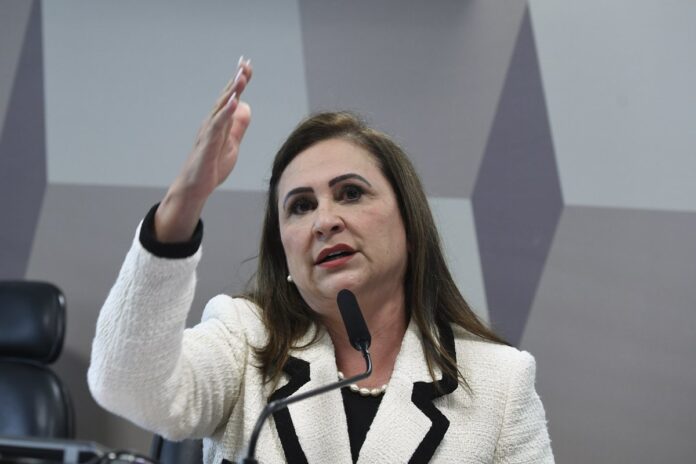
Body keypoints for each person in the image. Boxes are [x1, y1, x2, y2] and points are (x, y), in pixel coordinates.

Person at [88, 57, 554, 464]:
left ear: (410, 227)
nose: (324, 221)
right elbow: (128, 386)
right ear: (284, 253)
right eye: (301, 206)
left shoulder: (499, 382)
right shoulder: (245, 342)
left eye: (350, 193)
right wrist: (186, 200)